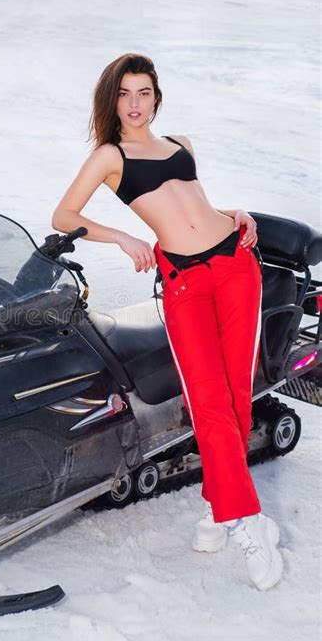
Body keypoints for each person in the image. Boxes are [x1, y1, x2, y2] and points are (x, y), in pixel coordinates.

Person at [51, 53, 283, 591]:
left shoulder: (181, 146)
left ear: (157, 96)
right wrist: (124, 237)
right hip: (185, 284)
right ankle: (248, 521)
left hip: (235, 267)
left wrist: (235, 213)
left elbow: (193, 205)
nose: (135, 104)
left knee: (232, 395)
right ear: (113, 100)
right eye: (125, 94)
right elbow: (64, 216)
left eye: (144, 92)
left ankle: (218, 507)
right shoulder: (110, 155)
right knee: (206, 399)